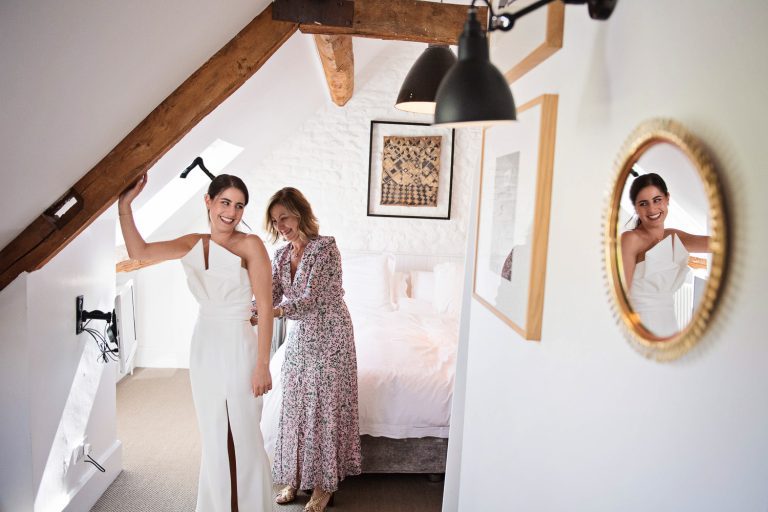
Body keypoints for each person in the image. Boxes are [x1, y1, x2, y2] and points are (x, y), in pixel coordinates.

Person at [118, 173, 274, 511]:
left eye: (239, 205)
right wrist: (125, 206)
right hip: (204, 344)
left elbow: (264, 307)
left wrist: (263, 364)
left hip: (238, 345)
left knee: (243, 434)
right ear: (208, 201)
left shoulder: (251, 245)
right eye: (225, 202)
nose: (231, 212)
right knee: (215, 435)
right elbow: (139, 250)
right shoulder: (192, 243)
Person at [259, 187, 361, 512]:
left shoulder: (325, 248)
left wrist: (272, 313)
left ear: (300, 213)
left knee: (323, 409)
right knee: (297, 405)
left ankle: (323, 486)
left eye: (284, 217)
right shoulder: (280, 255)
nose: (281, 226)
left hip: (331, 334)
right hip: (301, 336)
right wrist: (249, 308)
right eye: (275, 222)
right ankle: (296, 476)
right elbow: (272, 294)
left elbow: (312, 299)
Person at [620, 172, 711, 337]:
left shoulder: (674, 237)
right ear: (635, 207)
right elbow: (621, 296)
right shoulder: (630, 239)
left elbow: (716, 244)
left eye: (657, 200)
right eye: (643, 203)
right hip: (639, 323)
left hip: (669, 323)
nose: (652, 209)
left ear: (667, 198)